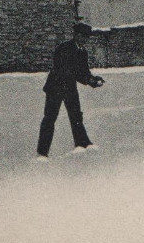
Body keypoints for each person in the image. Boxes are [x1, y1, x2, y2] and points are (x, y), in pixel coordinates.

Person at [37, 22, 104, 157]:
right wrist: (86, 79)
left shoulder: (82, 52)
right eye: (82, 36)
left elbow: (83, 71)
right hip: (55, 87)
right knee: (50, 118)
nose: (84, 40)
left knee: (76, 116)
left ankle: (82, 143)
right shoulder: (64, 48)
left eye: (86, 37)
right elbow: (66, 70)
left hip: (69, 87)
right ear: (76, 36)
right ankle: (42, 152)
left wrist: (93, 80)